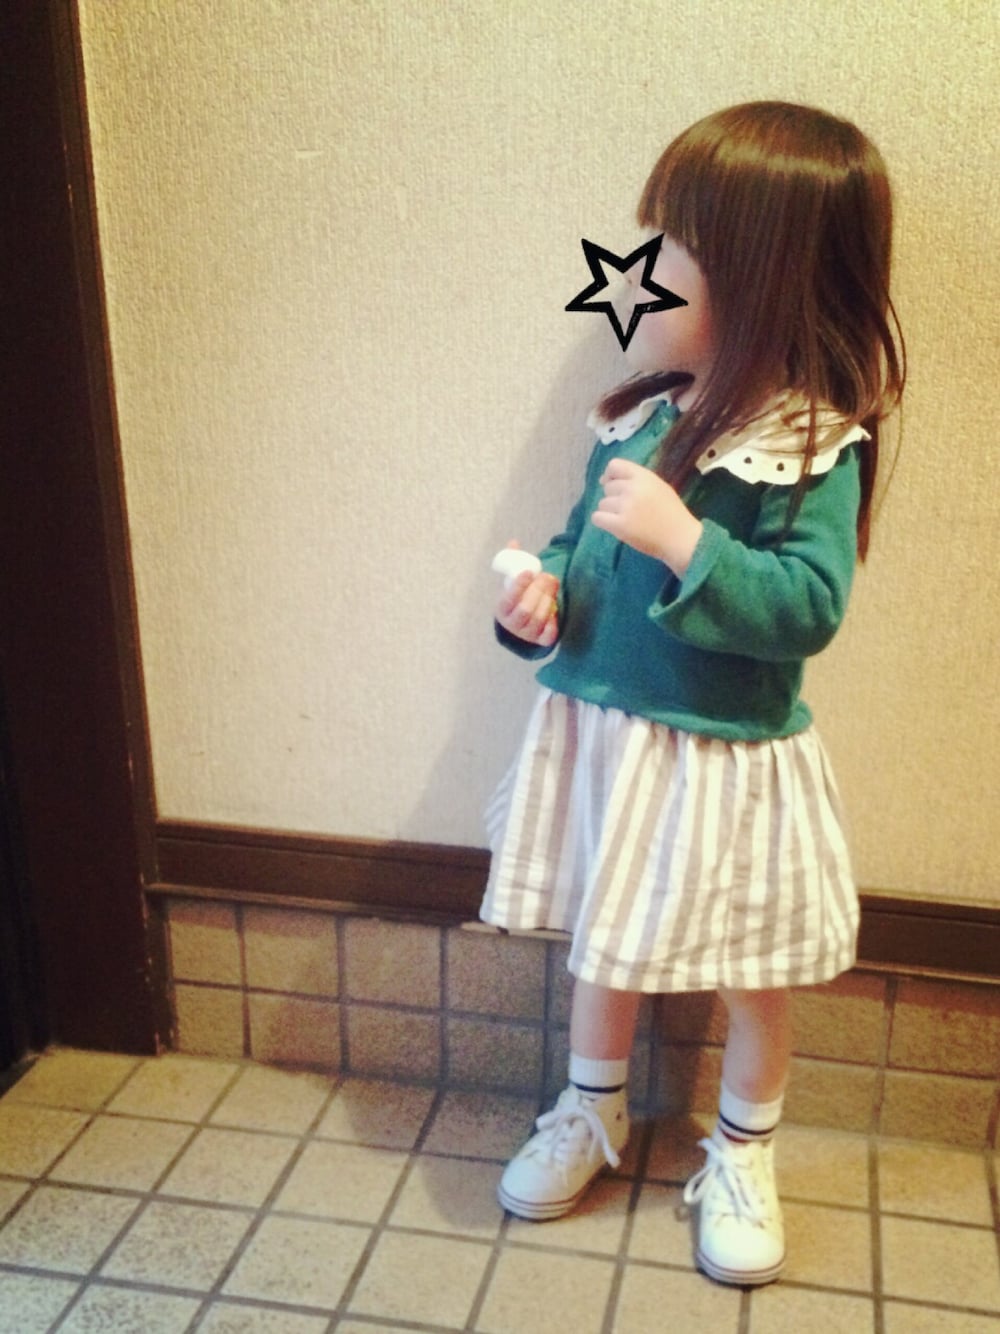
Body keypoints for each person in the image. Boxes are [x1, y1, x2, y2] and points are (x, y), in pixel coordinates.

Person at [481, 101, 905, 1287]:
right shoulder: (638, 412)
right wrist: (541, 597)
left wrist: (685, 542)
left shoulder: (812, 443)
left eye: (676, 248)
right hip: (607, 731)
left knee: (753, 963)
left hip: (725, 755)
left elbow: (808, 605)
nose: (644, 270)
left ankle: (745, 1148)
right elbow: (578, 543)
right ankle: (591, 1106)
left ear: (763, 278)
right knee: (605, 938)